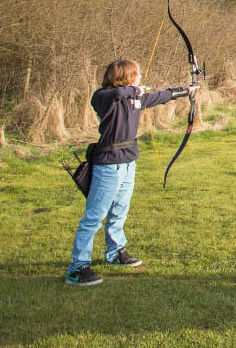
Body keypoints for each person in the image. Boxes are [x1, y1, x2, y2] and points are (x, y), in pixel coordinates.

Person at [64, 59, 197, 286]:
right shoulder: (104, 98)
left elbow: (161, 96)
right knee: (94, 216)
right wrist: (132, 90)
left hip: (128, 163)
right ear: (125, 77)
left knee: (120, 211)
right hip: (108, 164)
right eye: (137, 75)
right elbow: (111, 96)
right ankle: (77, 267)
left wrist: (187, 92)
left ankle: (115, 252)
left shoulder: (135, 99)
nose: (141, 78)